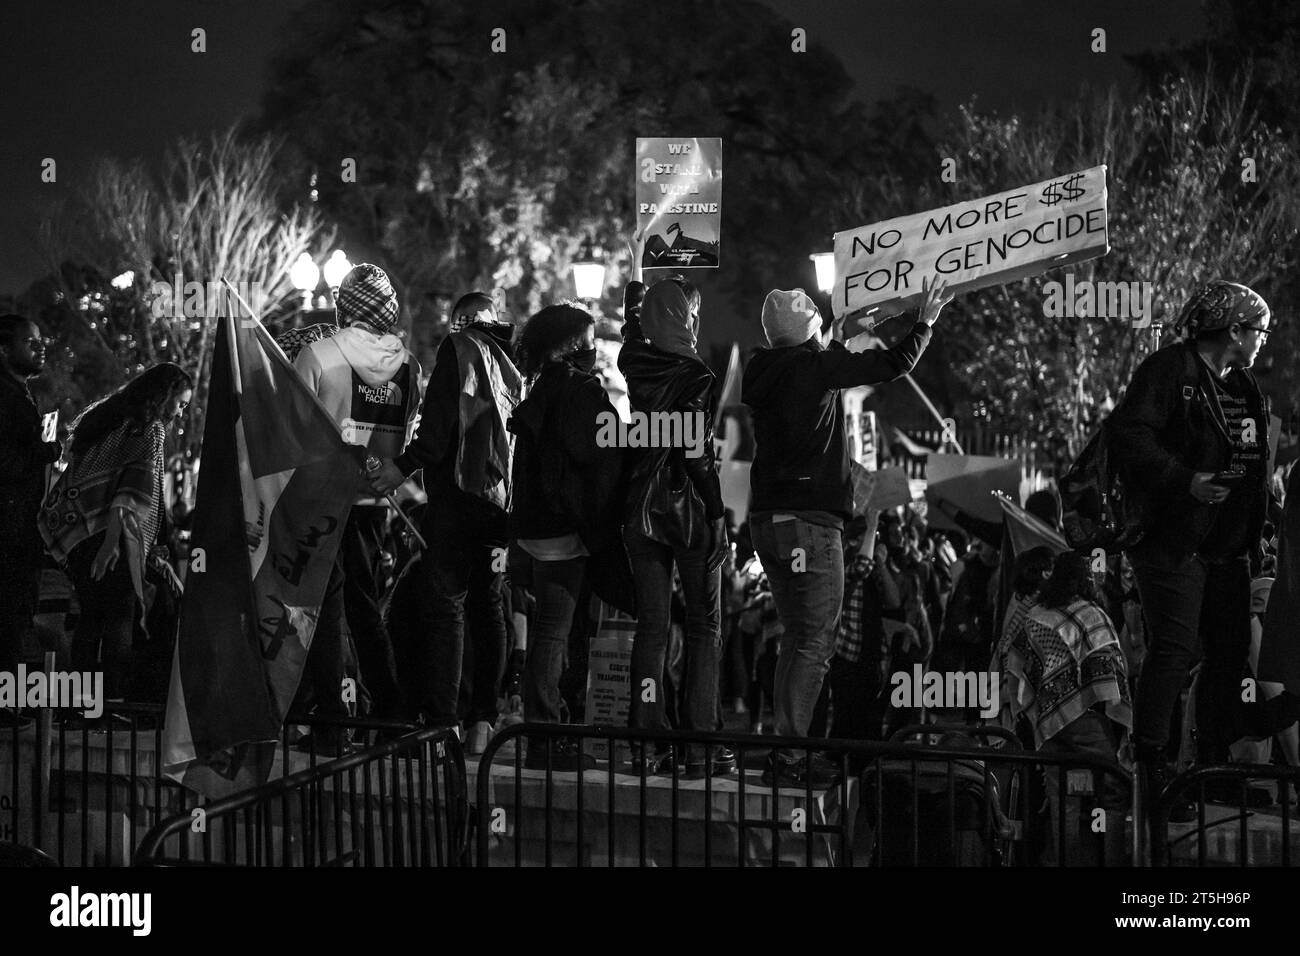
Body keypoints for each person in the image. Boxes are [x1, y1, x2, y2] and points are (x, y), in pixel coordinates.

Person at [744, 277, 951, 788]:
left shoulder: (763, 369)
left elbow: (826, 353)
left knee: (796, 638)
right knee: (815, 640)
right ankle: (792, 756)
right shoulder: (817, 368)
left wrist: (855, 326)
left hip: (768, 520)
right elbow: (891, 364)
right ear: (807, 333)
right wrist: (923, 323)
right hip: (811, 524)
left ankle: (784, 747)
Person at [1108, 280, 1300, 809]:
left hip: (1226, 550)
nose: (1263, 339)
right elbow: (1129, 437)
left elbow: (1252, 466)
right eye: (1259, 329)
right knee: (1172, 651)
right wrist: (1185, 479)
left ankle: (1212, 764)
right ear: (1234, 329)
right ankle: (1152, 769)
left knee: (1229, 652)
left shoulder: (1241, 386)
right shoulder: (1169, 370)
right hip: (1172, 545)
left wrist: (1254, 534)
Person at [369, 292, 522, 752]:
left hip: (456, 500)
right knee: (489, 608)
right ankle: (483, 722)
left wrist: (403, 465)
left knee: (447, 607)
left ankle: (443, 720)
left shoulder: (460, 350)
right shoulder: (512, 362)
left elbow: (436, 431)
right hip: (499, 506)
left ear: (459, 322)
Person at [294, 263, 421, 723]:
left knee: (321, 611)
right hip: (373, 503)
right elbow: (402, 438)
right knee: (365, 608)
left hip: (320, 500)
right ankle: (391, 714)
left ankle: (330, 720)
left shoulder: (317, 355)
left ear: (341, 305)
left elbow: (293, 433)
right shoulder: (409, 367)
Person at [618, 272, 733, 776]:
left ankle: (648, 744)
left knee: (652, 628)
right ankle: (701, 746)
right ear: (686, 318)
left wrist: (633, 299)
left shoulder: (632, 361)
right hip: (687, 512)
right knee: (705, 626)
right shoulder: (699, 376)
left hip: (640, 508)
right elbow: (696, 454)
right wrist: (716, 511)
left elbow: (630, 334)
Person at [507, 303, 629, 771]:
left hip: (535, 529)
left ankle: (549, 725)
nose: (595, 349)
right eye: (589, 339)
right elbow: (601, 448)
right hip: (564, 530)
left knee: (550, 629)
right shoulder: (578, 390)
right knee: (553, 631)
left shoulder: (541, 387)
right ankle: (546, 733)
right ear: (569, 345)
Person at [39, 363, 192, 705]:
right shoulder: (148, 430)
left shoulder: (103, 418)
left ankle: (80, 705)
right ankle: (112, 703)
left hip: (79, 530)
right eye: (179, 404)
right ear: (164, 396)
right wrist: (111, 545)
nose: (180, 413)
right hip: (115, 534)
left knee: (91, 617)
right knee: (120, 617)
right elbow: (133, 491)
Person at [1003, 551, 1132, 865]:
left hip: (1047, 722)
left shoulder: (1036, 615)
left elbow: (1016, 665)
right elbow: (1109, 670)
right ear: (1084, 580)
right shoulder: (1091, 614)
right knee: (1113, 788)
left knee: (1062, 800)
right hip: (1086, 722)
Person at [0, 316, 62, 725]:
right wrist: (49, 449)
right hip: (9, 529)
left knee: (16, 615)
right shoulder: (6, 397)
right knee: (8, 615)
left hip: (19, 526)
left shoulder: (18, 394)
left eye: (42, 340)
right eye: (29, 341)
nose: (40, 347)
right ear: (4, 349)